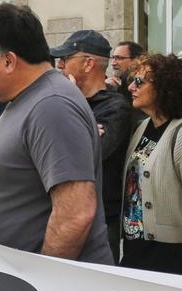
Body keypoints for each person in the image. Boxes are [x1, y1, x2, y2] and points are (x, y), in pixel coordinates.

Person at [0, 3, 114, 264]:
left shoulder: (51, 105)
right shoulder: (26, 99)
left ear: (8, 61)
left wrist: (40, 282)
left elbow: (75, 213)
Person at [115, 53, 182, 277]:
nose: (131, 88)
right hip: (136, 249)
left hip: (173, 255)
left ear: (164, 87)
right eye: (131, 81)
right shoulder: (143, 126)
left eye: (139, 82)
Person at [52, 30, 130, 241]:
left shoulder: (116, 107)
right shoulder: (65, 101)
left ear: (88, 64)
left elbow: (91, 154)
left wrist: (69, 115)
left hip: (101, 218)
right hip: (62, 210)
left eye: (66, 59)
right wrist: (84, 130)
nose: (59, 65)